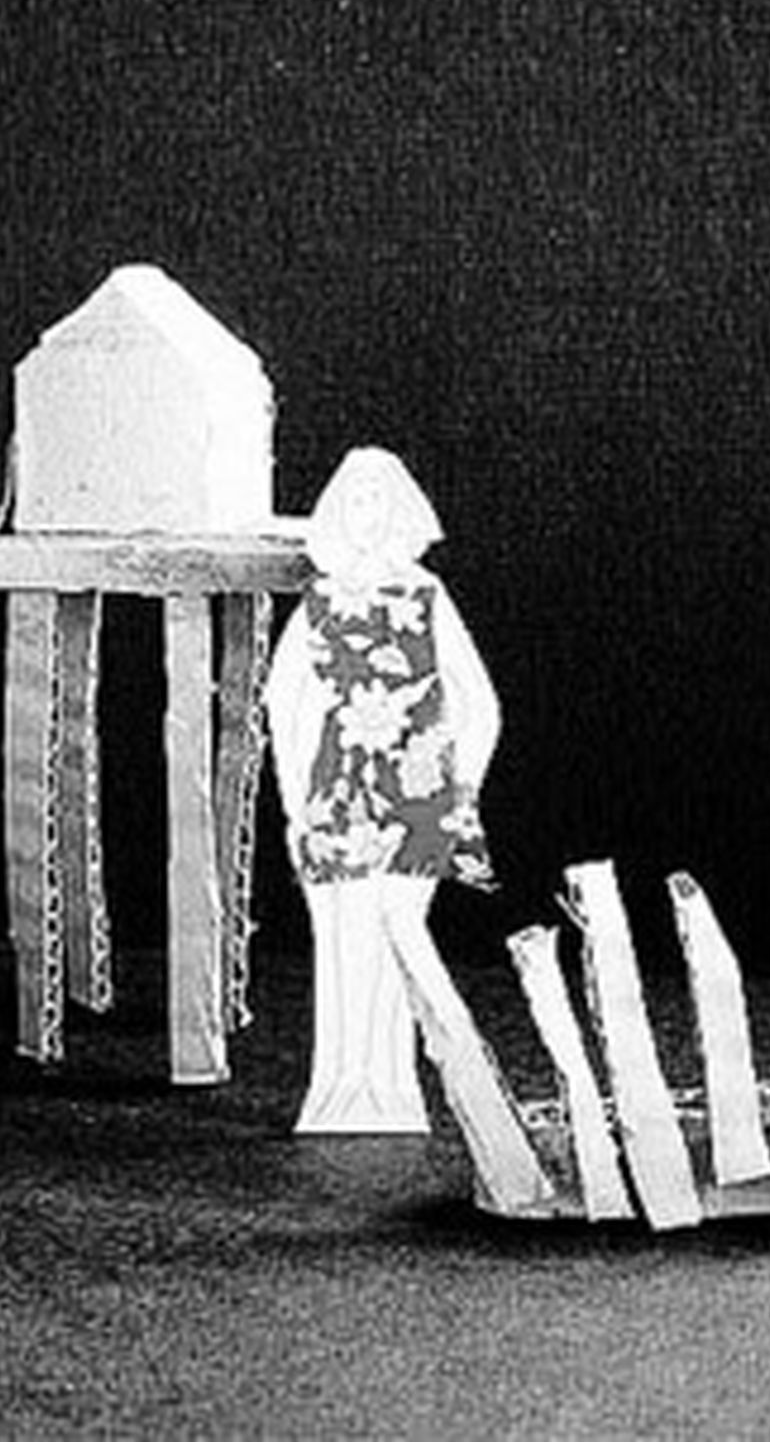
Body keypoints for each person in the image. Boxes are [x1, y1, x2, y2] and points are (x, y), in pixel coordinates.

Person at [267, 447, 500, 1134]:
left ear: (398, 509)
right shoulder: (320, 601)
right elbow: (282, 701)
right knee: (343, 935)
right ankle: (340, 1088)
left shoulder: (425, 595)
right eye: (356, 499)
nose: (367, 513)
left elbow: (480, 702)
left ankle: (393, 1089)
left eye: (378, 499)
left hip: (417, 790)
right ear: (339, 511)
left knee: (399, 930)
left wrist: (462, 786)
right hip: (340, 793)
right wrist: (295, 801)